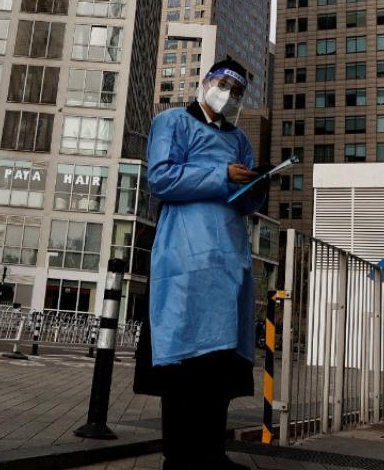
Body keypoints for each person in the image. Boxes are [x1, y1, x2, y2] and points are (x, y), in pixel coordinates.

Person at [134, 58, 263, 470]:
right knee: (185, 364)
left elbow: (245, 202)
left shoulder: (240, 138)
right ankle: (179, 458)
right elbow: (162, 178)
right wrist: (222, 174)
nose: (228, 94)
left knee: (219, 364)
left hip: (229, 259)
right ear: (206, 82)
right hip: (185, 255)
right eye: (223, 84)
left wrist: (255, 186)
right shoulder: (172, 122)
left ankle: (213, 454)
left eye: (236, 91)